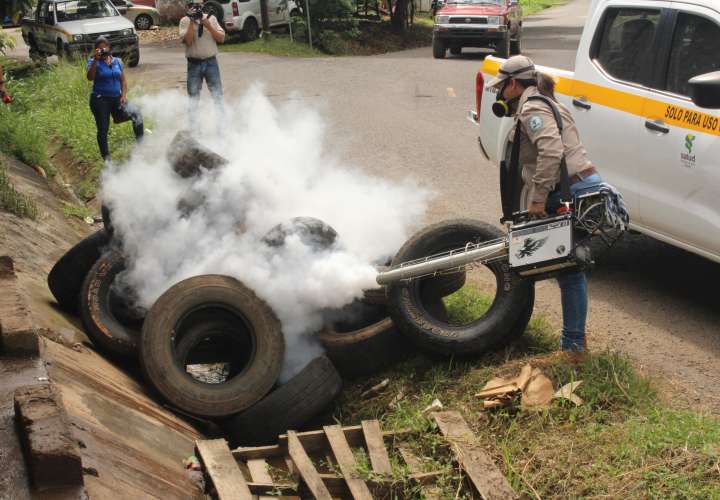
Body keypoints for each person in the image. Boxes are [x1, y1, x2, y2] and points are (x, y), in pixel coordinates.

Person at [489, 55, 603, 357]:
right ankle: (572, 343)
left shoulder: (533, 108)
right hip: (579, 185)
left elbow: (551, 152)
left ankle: (573, 347)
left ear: (513, 84)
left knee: (569, 270)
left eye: (502, 87)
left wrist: (538, 197)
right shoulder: (544, 101)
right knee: (565, 267)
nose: (501, 94)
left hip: (569, 190)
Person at [86, 36, 144, 162]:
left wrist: (123, 95)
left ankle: (141, 146)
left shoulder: (117, 61)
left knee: (136, 114)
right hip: (100, 100)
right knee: (103, 128)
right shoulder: (92, 62)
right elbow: (90, 77)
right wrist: (96, 60)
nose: (103, 50)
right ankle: (107, 159)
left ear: (109, 47)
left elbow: (123, 81)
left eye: (104, 47)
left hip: (116, 99)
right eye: (99, 48)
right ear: (96, 50)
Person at [179, 1, 225, 129]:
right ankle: (195, 130)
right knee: (193, 98)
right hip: (194, 64)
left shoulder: (211, 18)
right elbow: (188, 41)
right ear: (188, 8)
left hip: (211, 62)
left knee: (218, 96)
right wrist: (192, 23)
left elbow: (221, 39)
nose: (196, 8)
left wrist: (208, 25)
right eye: (192, 6)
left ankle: (222, 128)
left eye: (198, 6)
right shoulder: (184, 21)